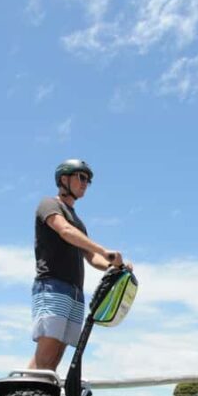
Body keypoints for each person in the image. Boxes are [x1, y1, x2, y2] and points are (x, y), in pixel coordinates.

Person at [28, 159, 130, 371]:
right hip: (53, 285)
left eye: (88, 180)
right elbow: (64, 231)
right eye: (81, 177)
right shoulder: (50, 204)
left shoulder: (79, 222)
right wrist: (105, 250)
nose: (85, 183)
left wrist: (114, 266)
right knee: (45, 354)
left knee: (55, 357)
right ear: (64, 179)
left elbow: (92, 257)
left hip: (74, 292)